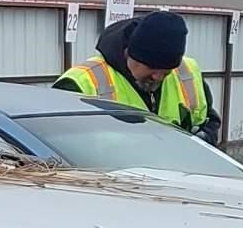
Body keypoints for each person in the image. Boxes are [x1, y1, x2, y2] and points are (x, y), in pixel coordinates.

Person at [55, 9, 218, 145]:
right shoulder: (81, 82)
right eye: (151, 68)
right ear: (129, 54)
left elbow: (210, 122)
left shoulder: (188, 72)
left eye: (167, 71)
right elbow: (54, 143)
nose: (158, 77)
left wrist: (202, 141)